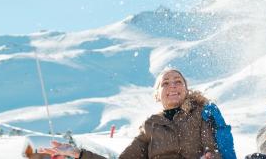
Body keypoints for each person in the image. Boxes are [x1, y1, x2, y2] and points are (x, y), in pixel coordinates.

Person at [40, 68, 226, 159]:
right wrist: (78, 154)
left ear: (186, 89)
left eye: (178, 81)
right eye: (165, 83)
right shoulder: (151, 126)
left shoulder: (201, 114)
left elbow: (215, 150)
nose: (173, 86)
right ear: (157, 94)